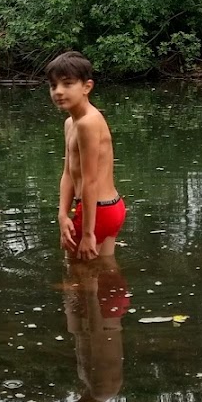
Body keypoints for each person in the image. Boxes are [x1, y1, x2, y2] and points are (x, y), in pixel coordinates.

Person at [46, 50, 125, 267]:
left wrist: (88, 233)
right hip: (109, 208)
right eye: (53, 86)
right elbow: (68, 173)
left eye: (67, 84)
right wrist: (62, 215)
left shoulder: (88, 123)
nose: (58, 92)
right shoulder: (71, 123)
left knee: (78, 276)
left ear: (86, 87)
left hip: (96, 210)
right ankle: (114, 299)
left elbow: (90, 180)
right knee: (105, 270)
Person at [62, 261, 128, 402]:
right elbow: (97, 337)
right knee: (98, 257)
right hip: (100, 307)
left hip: (94, 307)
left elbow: (83, 336)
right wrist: (91, 292)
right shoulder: (103, 389)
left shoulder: (87, 382)